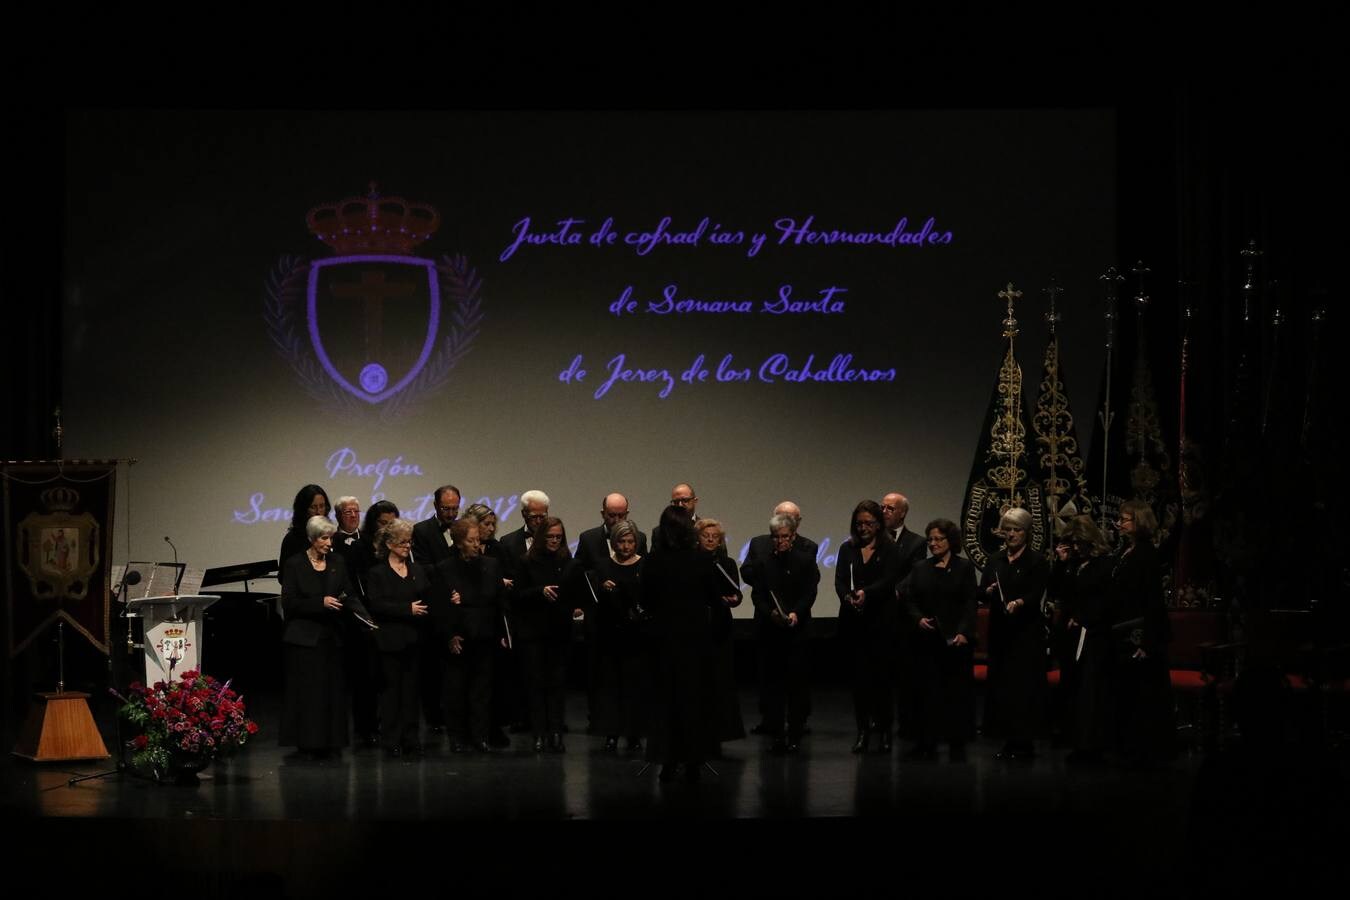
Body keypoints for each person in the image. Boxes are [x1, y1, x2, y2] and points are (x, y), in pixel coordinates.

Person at [641, 505, 733, 782]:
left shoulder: (654, 561)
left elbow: (646, 601)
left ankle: (667, 761)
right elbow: (715, 603)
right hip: (695, 643)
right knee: (693, 703)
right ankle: (694, 761)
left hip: (664, 642)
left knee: (667, 704)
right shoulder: (701, 561)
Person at [279, 515, 369, 759]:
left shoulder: (337, 561)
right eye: (324, 538)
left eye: (331, 538)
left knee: (333, 692)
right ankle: (308, 743)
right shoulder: (295, 564)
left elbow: (349, 592)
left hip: (333, 638)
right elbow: (290, 602)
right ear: (311, 538)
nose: (329, 543)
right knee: (309, 694)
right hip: (305, 640)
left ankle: (332, 741)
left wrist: (363, 616)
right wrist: (320, 603)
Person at [899, 518, 977, 761]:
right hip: (927, 641)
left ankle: (956, 741)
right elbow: (909, 597)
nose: (933, 543)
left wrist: (964, 631)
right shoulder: (921, 567)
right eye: (930, 539)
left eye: (938, 539)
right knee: (926, 693)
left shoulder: (964, 567)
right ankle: (926, 741)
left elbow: (969, 603)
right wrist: (918, 619)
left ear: (950, 541)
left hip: (955, 641)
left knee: (955, 693)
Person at [741, 511, 819, 753]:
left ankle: (794, 732)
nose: (780, 541)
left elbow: (810, 592)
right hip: (771, 631)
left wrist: (796, 612)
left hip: (797, 631)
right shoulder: (764, 562)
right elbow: (758, 595)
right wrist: (770, 613)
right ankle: (776, 731)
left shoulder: (805, 560)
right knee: (773, 685)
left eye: (785, 536)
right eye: (776, 537)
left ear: (793, 536)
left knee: (796, 684)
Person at [980, 506, 1050, 761]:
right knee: (1002, 686)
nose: (1010, 534)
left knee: (1023, 688)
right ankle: (1008, 739)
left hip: (1025, 633)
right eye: (1007, 529)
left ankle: (1025, 741)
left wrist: (1019, 602)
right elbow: (982, 590)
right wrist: (987, 592)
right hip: (1001, 631)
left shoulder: (1037, 561)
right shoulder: (995, 559)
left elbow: (1035, 593)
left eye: (1016, 530)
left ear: (1027, 533)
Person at [434, 517, 507, 753]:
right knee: (456, 691)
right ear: (458, 542)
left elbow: (498, 601)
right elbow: (440, 608)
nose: (477, 544)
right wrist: (450, 635)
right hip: (459, 638)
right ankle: (458, 737)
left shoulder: (491, 565)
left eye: (478, 540)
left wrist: (503, 632)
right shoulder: (445, 568)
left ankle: (480, 736)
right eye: (471, 540)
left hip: (485, 636)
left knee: (482, 691)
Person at [834, 500, 902, 753]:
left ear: (878, 524)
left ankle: (884, 731)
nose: (863, 528)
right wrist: (848, 597)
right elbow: (840, 581)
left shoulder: (890, 549)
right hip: (855, 623)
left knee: (882, 682)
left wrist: (866, 593)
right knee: (860, 683)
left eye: (869, 523)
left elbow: (889, 580)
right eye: (859, 523)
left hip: (881, 623)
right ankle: (863, 731)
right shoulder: (847, 548)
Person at [1111, 499, 1175, 766]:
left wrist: (1148, 641)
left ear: (1139, 522)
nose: (1120, 524)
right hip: (1125, 633)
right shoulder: (1128, 551)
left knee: (1144, 696)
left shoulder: (1146, 554)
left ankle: (1146, 752)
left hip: (1141, 635)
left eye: (1125, 519)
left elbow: (1153, 603)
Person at [510, 516, 582, 752]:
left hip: (559, 631)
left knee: (557, 685)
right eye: (550, 536)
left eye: (558, 537)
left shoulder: (568, 561)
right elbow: (517, 596)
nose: (554, 541)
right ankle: (539, 733)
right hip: (533, 632)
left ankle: (556, 732)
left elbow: (575, 593)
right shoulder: (526, 562)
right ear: (541, 537)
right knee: (536, 684)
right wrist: (540, 591)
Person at [364, 518, 432, 756]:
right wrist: (407, 610)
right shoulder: (378, 573)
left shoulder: (417, 569)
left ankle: (411, 739)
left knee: (412, 692)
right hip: (390, 642)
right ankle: (391, 739)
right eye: (403, 542)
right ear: (390, 544)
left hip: (414, 640)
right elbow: (376, 604)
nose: (408, 546)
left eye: (409, 542)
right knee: (392, 692)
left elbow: (427, 596)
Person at [1052, 515, 1116, 763]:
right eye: (1072, 543)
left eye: (1079, 543)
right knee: (1074, 688)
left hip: (1094, 635)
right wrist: (1061, 562)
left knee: (1090, 691)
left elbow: (1106, 600)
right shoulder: (1072, 565)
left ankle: (1091, 745)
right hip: (1071, 636)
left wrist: (1083, 617)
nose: (1076, 548)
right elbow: (1059, 590)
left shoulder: (1104, 565)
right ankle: (1076, 741)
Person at [588, 519, 649, 753]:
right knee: (610, 687)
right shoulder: (603, 566)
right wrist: (604, 590)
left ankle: (634, 733)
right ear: (614, 543)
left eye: (630, 541)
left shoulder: (645, 565)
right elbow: (595, 600)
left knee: (635, 687)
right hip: (610, 634)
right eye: (622, 542)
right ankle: (611, 733)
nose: (626, 546)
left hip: (636, 635)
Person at [696, 518, 746, 747]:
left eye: (715, 537)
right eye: (705, 535)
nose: (710, 539)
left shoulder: (726, 563)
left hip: (720, 627)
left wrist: (733, 599)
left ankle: (719, 733)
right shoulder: (692, 562)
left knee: (721, 681)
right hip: (697, 628)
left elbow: (737, 594)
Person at [278, 484, 330, 569]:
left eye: (322, 506)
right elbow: (283, 575)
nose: (318, 512)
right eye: (313, 507)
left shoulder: (332, 536)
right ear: (303, 510)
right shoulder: (292, 539)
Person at [411, 485, 461, 567]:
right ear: (435, 505)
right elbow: (423, 566)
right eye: (445, 509)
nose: (451, 514)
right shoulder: (421, 531)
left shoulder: (463, 529)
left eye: (455, 509)